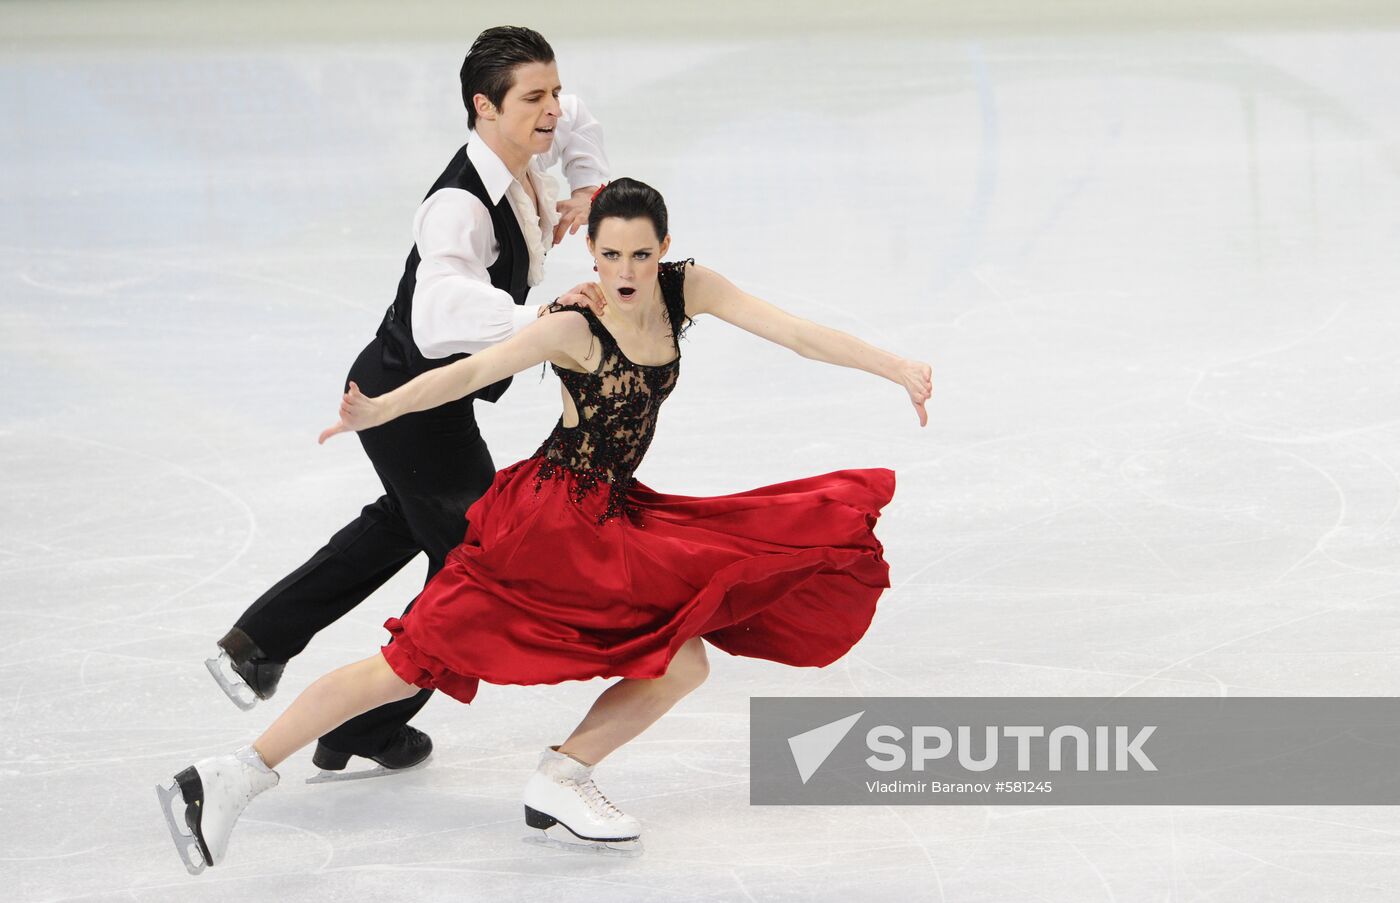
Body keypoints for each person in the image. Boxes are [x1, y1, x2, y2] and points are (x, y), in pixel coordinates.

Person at [158, 178, 933, 873]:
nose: (624, 272)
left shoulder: (687, 287)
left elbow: (792, 330)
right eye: (607, 254)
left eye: (637, 252)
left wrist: (895, 365)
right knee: (410, 662)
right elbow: (468, 373)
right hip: (544, 526)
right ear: (590, 253)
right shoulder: (576, 324)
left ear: (663, 247)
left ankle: (562, 775)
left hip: (613, 519)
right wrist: (380, 409)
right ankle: (230, 775)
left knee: (681, 660)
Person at [203, 26, 611, 778]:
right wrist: (543, 318)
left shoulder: (528, 140)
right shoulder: (458, 204)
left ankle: (258, 645)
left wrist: (585, 184)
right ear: (485, 107)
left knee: (404, 522)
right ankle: (366, 721)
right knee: (477, 566)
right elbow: (437, 312)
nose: (553, 108)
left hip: (427, 398)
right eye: (535, 97)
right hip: (408, 399)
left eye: (553, 89)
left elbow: (580, 121)